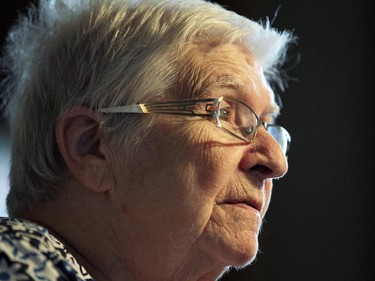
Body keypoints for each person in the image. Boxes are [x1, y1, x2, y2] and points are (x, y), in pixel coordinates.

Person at [0, 0, 295, 280]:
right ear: (92, 148)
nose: (276, 161)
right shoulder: (17, 261)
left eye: (265, 125)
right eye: (224, 112)